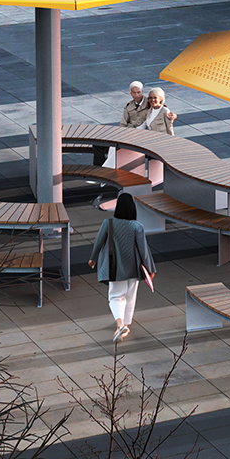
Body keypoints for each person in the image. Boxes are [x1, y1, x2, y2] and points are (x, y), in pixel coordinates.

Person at [88, 193, 156, 343]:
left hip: (115, 268)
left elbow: (98, 242)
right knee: (130, 297)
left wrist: (93, 258)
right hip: (133, 267)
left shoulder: (108, 223)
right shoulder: (137, 227)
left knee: (116, 296)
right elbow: (143, 251)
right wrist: (150, 269)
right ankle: (125, 324)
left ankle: (120, 325)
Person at [93, 80, 148, 167]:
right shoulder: (129, 106)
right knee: (97, 144)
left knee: (116, 147)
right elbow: (123, 123)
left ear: (142, 92)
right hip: (127, 133)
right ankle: (99, 170)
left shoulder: (149, 104)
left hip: (141, 136)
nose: (137, 95)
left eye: (139, 92)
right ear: (131, 93)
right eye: (134, 93)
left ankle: (108, 169)